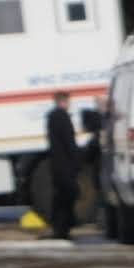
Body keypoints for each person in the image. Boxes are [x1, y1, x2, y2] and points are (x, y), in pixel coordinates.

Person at [37, 99, 88, 238]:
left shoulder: (51, 117)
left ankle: (60, 228)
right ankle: (63, 228)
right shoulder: (63, 118)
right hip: (66, 166)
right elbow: (69, 141)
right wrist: (77, 162)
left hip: (57, 165)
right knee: (67, 196)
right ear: (63, 102)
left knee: (60, 197)